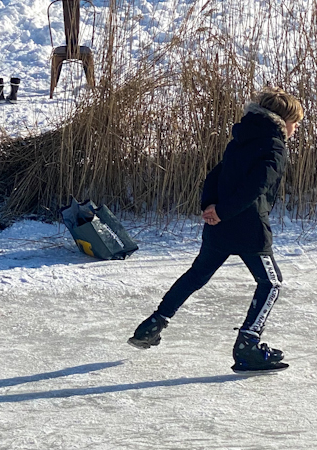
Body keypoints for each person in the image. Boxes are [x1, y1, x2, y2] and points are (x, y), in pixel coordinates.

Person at [128, 87, 304, 373]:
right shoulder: (275, 145)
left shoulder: (243, 137)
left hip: (220, 226)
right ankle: (248, 343)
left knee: (197, 274)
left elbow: (216, 174)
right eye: (295, 122)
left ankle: (153, 324)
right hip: (248, 229)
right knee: (271, 283)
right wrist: (220, 210)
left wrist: (211, 207)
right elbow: (256, 186)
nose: (295, 128)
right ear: (282, 120)